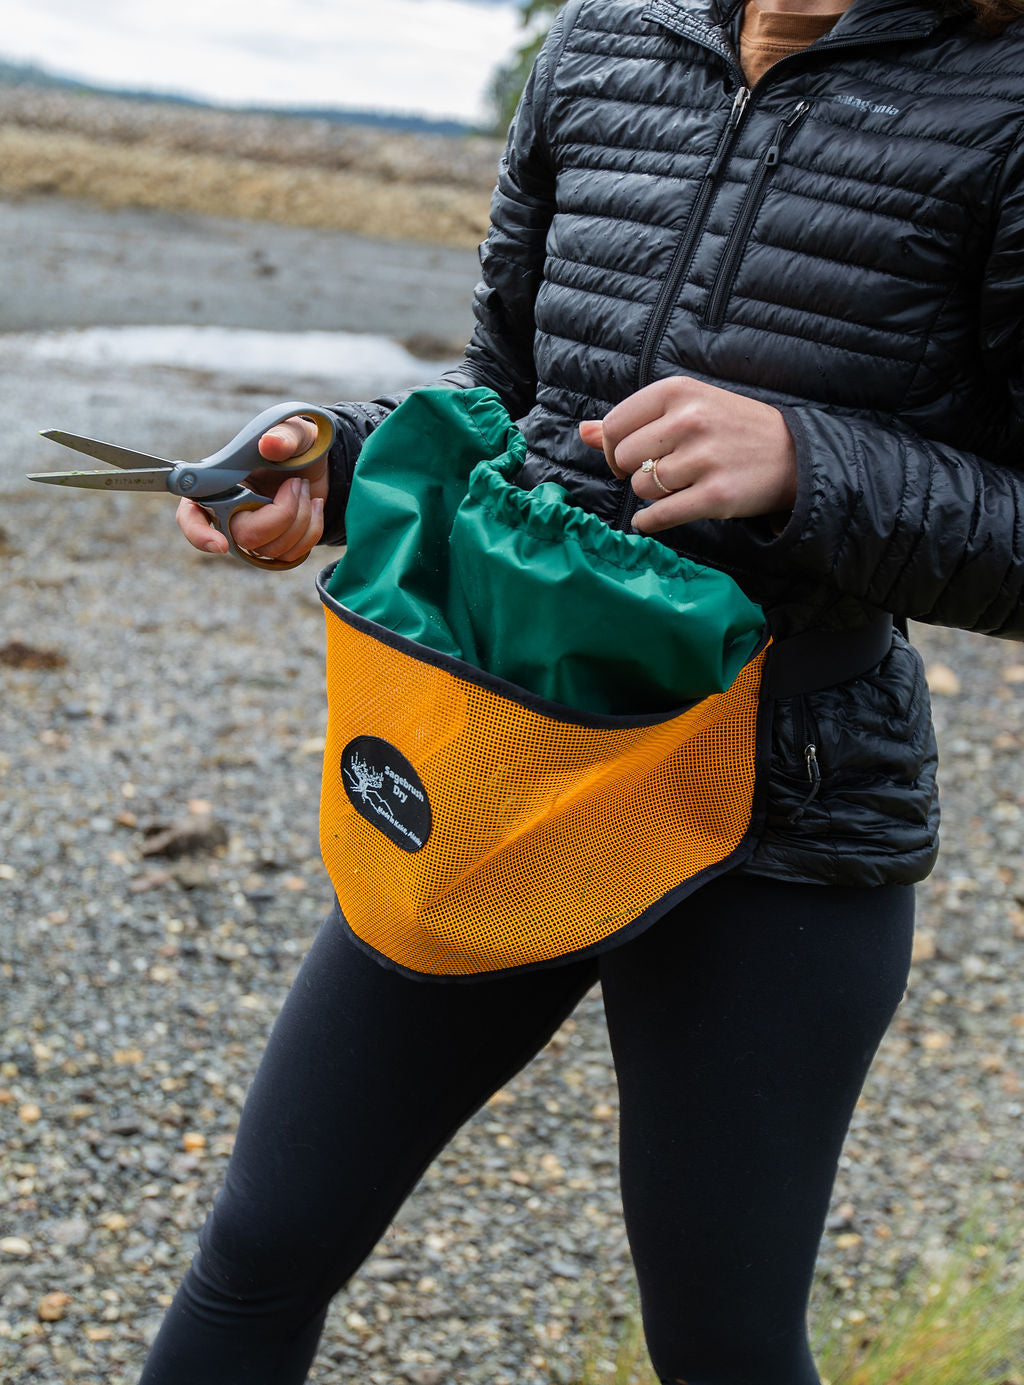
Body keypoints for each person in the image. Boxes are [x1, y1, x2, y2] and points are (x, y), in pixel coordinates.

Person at [151, 0, 1024, 1381]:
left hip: (785, 809)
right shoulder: (606, 44)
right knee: (261, 1251)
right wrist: (341, 472)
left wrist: (813, 462)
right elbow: (505, 399)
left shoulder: (1005, 97)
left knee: (723, 1344)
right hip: (511, 749)